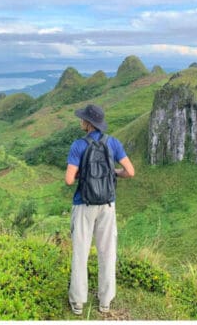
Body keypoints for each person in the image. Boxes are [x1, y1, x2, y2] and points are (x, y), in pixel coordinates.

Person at [64, 104, 135, 315]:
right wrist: (114, 172)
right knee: (107, 252)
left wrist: (82, 174)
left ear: (88, 123)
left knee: (80, 252)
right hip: (107, 205)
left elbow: (69, 180)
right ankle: (105, 301)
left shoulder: (78, 145)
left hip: (83, 205)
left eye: (83, 119)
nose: (80, 121)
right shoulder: (113, 143)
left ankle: (77, 302)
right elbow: (130, 172)